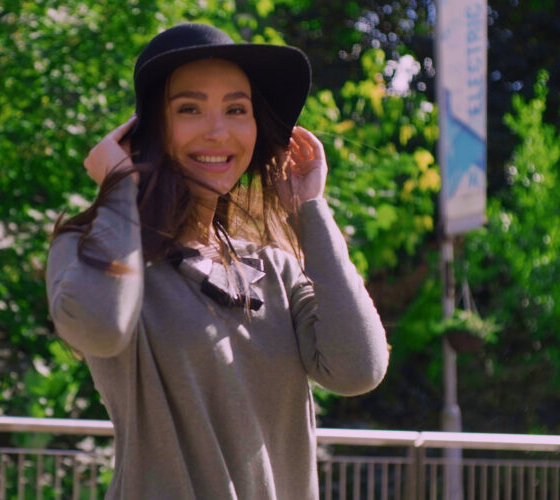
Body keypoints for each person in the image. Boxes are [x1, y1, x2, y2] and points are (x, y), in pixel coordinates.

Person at [46, 23, 389, 499]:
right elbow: (101, 326)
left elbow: (359, 369)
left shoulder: (276, 267)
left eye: (236, 109)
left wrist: (311, 209)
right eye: (189, 108)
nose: (218, 130)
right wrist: (120, 186)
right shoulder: (92, 248)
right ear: (147, 131)